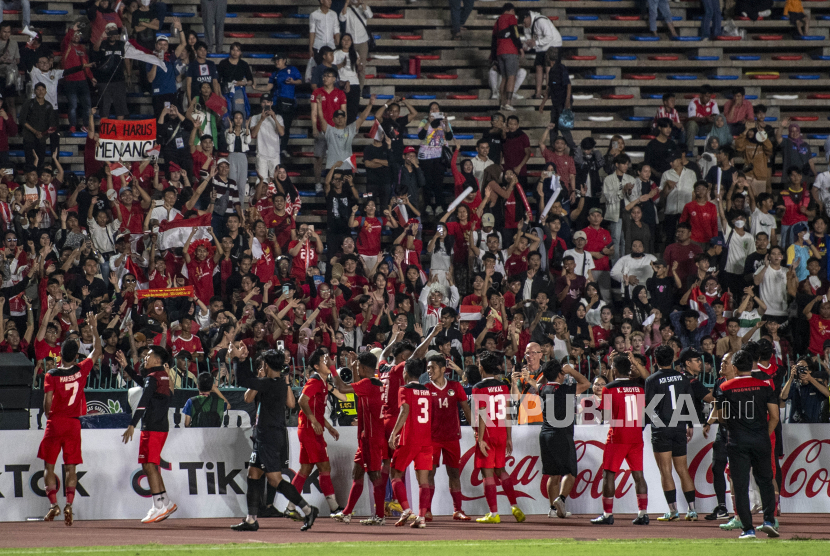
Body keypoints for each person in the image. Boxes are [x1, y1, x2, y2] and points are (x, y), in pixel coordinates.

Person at [232, 349, 320, 532]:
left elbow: (243, 381)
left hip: (269, 436)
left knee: (274, 479)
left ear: (265, 364)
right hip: (265, 435)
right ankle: (251, 520)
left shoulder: (271, 383)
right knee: (253, 474)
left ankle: (308, 509)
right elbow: (251, 392)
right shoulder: (278, 383)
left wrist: (239, 360)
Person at [38, 313, 101, 527]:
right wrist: (93, 328)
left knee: (49, 467)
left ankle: (53, 504)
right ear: (76, 356)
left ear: (60, 355)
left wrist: (50, 417)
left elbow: (47, 401)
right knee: (70, 469)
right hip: (74, 423)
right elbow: (97, 351)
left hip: (55, 423)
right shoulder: (81, 369)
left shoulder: (51, 375)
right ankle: (69, 505)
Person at [713, 349, 780, 539]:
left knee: (740, 485)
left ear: (734, 367)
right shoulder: (764, 386)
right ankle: (768, 520)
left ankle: (748, 529)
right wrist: (763, 435)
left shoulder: (725, 387)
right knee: (765, 481)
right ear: (752, 366)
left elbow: (721, 416)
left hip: (737, 441)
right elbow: (775, 417)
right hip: (760, 440)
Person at [121, 345, 177, 524]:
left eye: (149, 355)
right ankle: (166, 502)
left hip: (152, 427)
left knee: (149, 465)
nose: (145, 357)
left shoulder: (153, 378)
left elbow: (143, 401)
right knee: (150, 465)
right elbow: (144, 383)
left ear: (158, 360)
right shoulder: (161, 375)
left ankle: (158, 506)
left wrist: (132, 424)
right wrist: (127, 367)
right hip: (160, 426)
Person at [591, 354, 649, 525]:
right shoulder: (639, 388)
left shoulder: (609, 388)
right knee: (638, 474)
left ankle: (608, 515)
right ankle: (643, 513)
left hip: (617, 437)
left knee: (608, 474)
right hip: (636, 436)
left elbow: (606, 416)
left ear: (614, 369)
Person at [530, 360, 590, 518]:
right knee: (570, 472)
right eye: (562, 373)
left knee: (553, 474)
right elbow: (586, 383)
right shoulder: (566, 389)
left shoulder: (542, 388)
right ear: (559, 374)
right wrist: (571, 370)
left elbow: (538, 382)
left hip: (545, 434)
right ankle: (561, 499)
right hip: (562, 434)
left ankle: (552, 509)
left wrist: (547, 370)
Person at [331, 351, 386, 523]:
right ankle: (347, 513)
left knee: (375, 475)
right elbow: (357, 386)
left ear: (362, 367)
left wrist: (333, 369)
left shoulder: (367, 384)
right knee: (358, 473)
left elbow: (342, 388)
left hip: (371, 438)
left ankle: (380, 516)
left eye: (358, 367)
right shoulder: (376, 383)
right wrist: (355, 367)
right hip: (368, 437)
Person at [472, 351, 526, 524]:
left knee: (487, 473)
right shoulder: (503, 386)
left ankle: (493, 513)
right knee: (501, 471)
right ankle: (514, 505)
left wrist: (480, 439)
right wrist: (509, 436)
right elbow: (508, 413)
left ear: (481, 367)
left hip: (487, 434)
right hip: (502, 433)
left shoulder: (478, 387)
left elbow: (481, 414)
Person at [646, 346, 698, 522]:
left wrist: (660, 427)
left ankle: (673, 511)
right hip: (679, 426)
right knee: (683, 469)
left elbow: (649, 408)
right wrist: (689, 423)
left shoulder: (652, 380)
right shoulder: (683, 379)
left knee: (665, 470)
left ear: (655, 360)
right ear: (674, 358)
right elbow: (689, 401)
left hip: (662, 428)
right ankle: (692, 510)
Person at [423, 353, 472, 520]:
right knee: (430, 474)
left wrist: (475, 429)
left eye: (433, 367)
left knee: (454, 474)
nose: (429, 371)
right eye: (428, 368)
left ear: (443, 369)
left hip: (452, 437)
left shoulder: (455, 386)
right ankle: (427, 510)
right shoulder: (425, 389)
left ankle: (457, 510)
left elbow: (466, 409)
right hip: (432, 438)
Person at [387, 357, 433, 528]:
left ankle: (406, 510)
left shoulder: (404, 389)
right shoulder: (427, 390)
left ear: (405, 372)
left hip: (409, 439)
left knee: (395, 473)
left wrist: (394, 433)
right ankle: (421, 518)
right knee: (424, 481)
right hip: (426, 440)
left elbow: (405, 410)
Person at [310, 68, 347, 193]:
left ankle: (334, 184)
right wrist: (314, 128)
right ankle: (317, 183)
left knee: (335, 159)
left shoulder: (340, 93)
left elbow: (344, 113)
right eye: (324, 75)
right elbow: (314, 112)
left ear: (334, 78)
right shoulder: (317, 92)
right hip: (321, 131)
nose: (325, 78)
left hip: (335, 131)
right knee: (318, 158)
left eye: (328, 75)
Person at [257, 54, 301, 157]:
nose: (277, 62)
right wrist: (256, 88)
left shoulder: (292, 69)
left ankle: (283, 148)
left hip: (289, 102)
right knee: (273, 125)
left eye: (279, 60)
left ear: (284, 59)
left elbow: (300, 81)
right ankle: (273, 148)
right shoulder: (275, 73)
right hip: (276, 102)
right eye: (275, 60)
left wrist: (293, 82)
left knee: (286, 126)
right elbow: (269, 87)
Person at [519, 10, 562, 100]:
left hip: (553, 44)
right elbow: (529, 41)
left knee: (548, 67)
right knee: (538, 67)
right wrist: (526, 47)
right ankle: (538, 93)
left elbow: (549, 36)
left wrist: (536, 42)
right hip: (541, 46)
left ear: (527, 17)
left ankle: (549, 93)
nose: (523, 25)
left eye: (523, 22)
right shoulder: (526, 26)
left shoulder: (541, 20)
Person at [91, 23, 130, 119]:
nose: (112, 34)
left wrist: (129, 75)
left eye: (114, 31)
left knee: (120, 108)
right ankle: (104, 132)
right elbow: (95, 49)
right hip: (104, 80)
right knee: (104, 109)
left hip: (119, 80)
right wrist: (101, 37)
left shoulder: (122, 44)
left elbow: (126, 59)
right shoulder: (103, 44)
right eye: (110, 31)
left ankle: (119, 132)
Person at [537, 48, 573, 149]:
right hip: (556, 103)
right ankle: (553, 149)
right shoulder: (552, 71)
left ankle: (573, 149)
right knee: (553, 126)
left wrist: (567, 100)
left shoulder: (561, 68)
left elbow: (568, 85)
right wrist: (543, 103)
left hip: (563, 102)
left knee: (564, 127)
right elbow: (549, 89)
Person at [491, 3, 523, 112]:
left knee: (504, 77)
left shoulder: (498, 20)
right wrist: (520, 47)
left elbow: (494, 40)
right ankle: (508, 103)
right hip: (510, 50)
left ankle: (502, 103)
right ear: (511, 10)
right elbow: (515, 33)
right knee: (511, 77)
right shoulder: (511, 17)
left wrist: (493, 55)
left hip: (500, 51)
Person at [780, 357, 830, 423]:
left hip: (813, 425)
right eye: (798, 367)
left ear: (810, 370)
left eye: (803, 367)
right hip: (796, 424)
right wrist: (791, 378)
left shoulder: (816, 385)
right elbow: (783, 397)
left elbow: (827, 394)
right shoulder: (794, 385)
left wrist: (810, 379)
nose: (801, 370)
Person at [250, 96, 285, 184]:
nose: (266, 104)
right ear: (261, 104)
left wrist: (274, 118)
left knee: (276, 181)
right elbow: (253, 134)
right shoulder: (255, 117)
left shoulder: (278, 117)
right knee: (262, 181)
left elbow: (282, 133)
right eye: (264, 102)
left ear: (271, 103)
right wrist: (261, 120)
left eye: (268, 102)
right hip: (261, 154)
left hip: (275, 154)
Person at [684, 86, 719, 156]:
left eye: (709, 97)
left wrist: (712, 118)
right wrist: (704, 118)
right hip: (696, 127)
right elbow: (691, 118)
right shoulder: (694, 102)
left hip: (706, 127)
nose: (708, 99)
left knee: (718, 124)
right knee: (691, 124)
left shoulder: (713, 103)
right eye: (706, 96)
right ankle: (689, 150)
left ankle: (715, 151)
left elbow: (716, 116)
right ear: (701, 95)